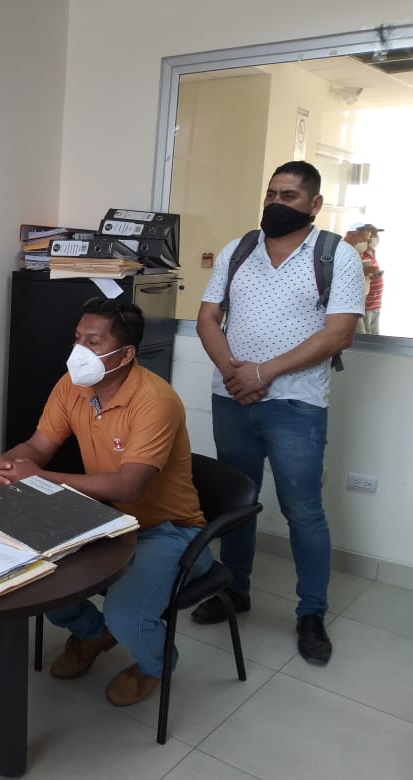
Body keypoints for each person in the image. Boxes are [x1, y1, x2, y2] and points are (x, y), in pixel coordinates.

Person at [0, 297, 210, 706]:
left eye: (93, 341)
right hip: (103, 518)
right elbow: (39, 445)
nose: (79, 351)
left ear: (126, 354)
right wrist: (8, 464)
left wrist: (39, 477)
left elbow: (128, 487)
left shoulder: (155, 401)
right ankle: (93, 633)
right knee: (36, 576)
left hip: (168, 531)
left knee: (127, 616)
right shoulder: (72, 385)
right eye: (77, 338)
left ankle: (154, 666)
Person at [193, 161, 363, 666]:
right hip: (232, 399)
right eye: (270, 193)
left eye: (288, 195)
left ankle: (311, 613)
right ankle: (234, 590)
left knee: (302, 511)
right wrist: (234, 373)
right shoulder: (238, 250)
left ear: (314, 204)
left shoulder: (336, 255)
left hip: (297, 405)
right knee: (237, 501)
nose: (275, 203)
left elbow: (339, 333)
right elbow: (207, 318)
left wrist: (262, 373)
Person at [348, 222, 385, 335]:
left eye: (375, 234)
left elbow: (367, 278)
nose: (374, 237)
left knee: (375, 336)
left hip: (376, 303)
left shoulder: (372, 252)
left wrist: (374, 276)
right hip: (366, 305)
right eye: (373, 234)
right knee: (366, 337)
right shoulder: (357, 254)